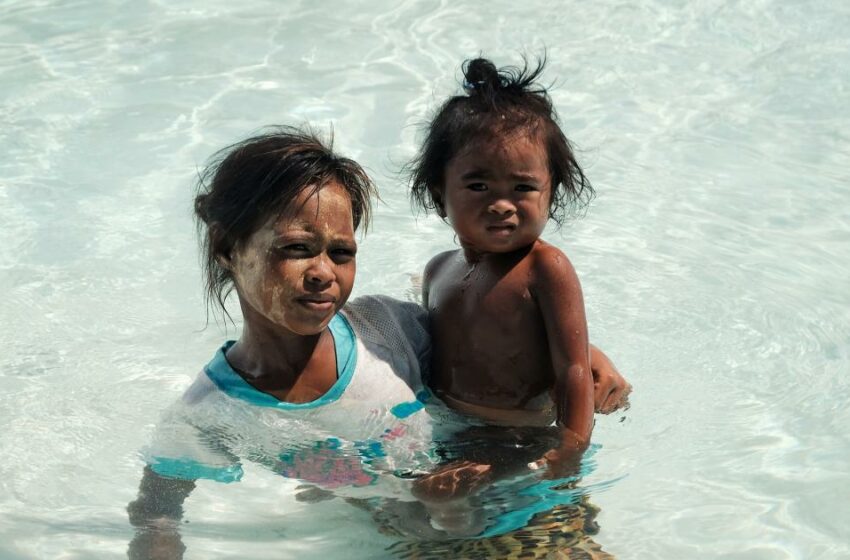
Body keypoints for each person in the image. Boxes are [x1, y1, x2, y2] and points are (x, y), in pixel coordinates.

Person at [127, 126, 629, 557]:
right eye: (297, 249)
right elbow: (156, 510)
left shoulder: (386, 332)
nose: (323, 272)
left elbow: (498, 338)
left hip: (524, 511)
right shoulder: (210, 410)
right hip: (397, 539)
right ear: (225, 248)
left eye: (341, 252)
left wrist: (585, 355)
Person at [408, 56, 625, 484]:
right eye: (478, 186)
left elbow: (573, 369)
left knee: (441, 499)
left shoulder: (546, 267)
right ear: (439, 195)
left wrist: (571, 446)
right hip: (449, 426)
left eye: (523, 187)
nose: (502, 204)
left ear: (552, 195)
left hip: (522, 435)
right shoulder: (437, 271)